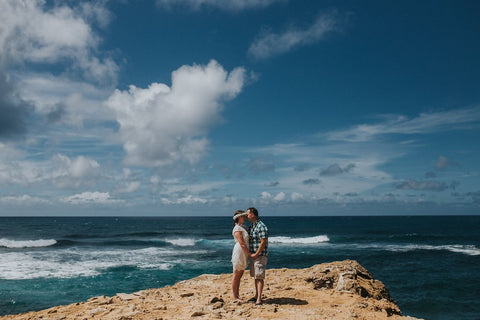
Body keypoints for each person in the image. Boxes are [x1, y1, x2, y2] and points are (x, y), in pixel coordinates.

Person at [246, 207, 268, 305]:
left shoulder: (261, 226)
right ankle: (256, 296)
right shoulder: (252, 226)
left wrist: (256, 254)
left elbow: (263, 241)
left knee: (259, 277)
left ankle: (259, 299)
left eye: (247, 214)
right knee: (256, 276)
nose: (246, 216)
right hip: (254, 255)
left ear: (253, 214)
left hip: (259, 255)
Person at [231, 210, 250, 303]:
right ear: (239, 217)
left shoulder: (242, 227)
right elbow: (241, 243)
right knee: (236, 274)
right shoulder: (237, 228)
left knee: (240, 274)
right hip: (240, 251)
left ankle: (237, 295)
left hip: (243, 252)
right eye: (243, 217)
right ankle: (235, 296)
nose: (245, 218)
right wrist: (250, 254)